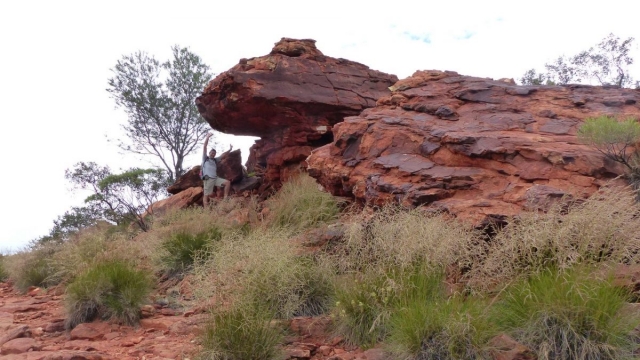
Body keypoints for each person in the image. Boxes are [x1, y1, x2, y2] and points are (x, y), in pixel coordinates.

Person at [202, 133, 232, 207]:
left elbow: (223, 155)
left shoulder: (215, 160)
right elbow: (205, 146)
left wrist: (230, 149)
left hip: (215, 178)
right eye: (211, 153)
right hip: (207, 178)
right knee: (206, 195)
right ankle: (206, 211)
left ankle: (225, 199)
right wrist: (207, 137)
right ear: (209, 153)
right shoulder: (205, 158)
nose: (213, 154)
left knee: (227, 183)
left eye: (214, 153)